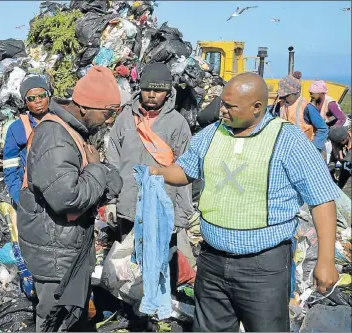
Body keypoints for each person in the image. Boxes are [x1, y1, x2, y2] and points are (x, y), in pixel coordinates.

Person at [150, 72, 340, 332]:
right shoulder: (211, 135)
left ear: (257, 108)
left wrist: (326, 261)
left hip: (263, 267)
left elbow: (322, 200)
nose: (222, 111)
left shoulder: (289, 141)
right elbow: (186, 171)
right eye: (222, 103)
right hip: (212, 261)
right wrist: (158, 172)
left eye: (230, 106)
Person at [17, 66, 123, 332]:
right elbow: (68, 197)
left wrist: (99, 174)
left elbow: (101, 183)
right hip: (55, 253)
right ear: (86, 107)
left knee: (69, 319)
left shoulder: (72, 131)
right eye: (108, 113)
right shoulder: (56, 136)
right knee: (56, 320)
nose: (110, 120)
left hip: (65, 248)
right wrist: (98, 169)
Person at [107, 62, 196, 274]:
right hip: (128, 208)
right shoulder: (125, 119)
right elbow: (112, 162)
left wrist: (181, 215)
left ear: (168, 92)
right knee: (126, 270)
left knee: (159, 271)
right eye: (148, 89)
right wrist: (111, 201)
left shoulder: (177, 124)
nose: (152, 95)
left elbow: (185, 172)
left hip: (162, 210)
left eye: (158, 90)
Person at [3, 75, 51, 205]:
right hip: (32, 196)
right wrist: (20, 198)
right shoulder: (17, 129)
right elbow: (10, 168)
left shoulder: (61, 121)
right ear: (25, 102)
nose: (38, 101)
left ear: (49, 96)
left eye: (42, 95)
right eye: (31, 98)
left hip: (60, 191)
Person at [277, 75, 329, 152]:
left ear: (295, 93)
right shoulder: (280, 105)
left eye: (286, 95)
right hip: (287, 149)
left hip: (305, 149)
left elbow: (323, 129)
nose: (283, 98)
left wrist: (314, 149)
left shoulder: (307, 107)